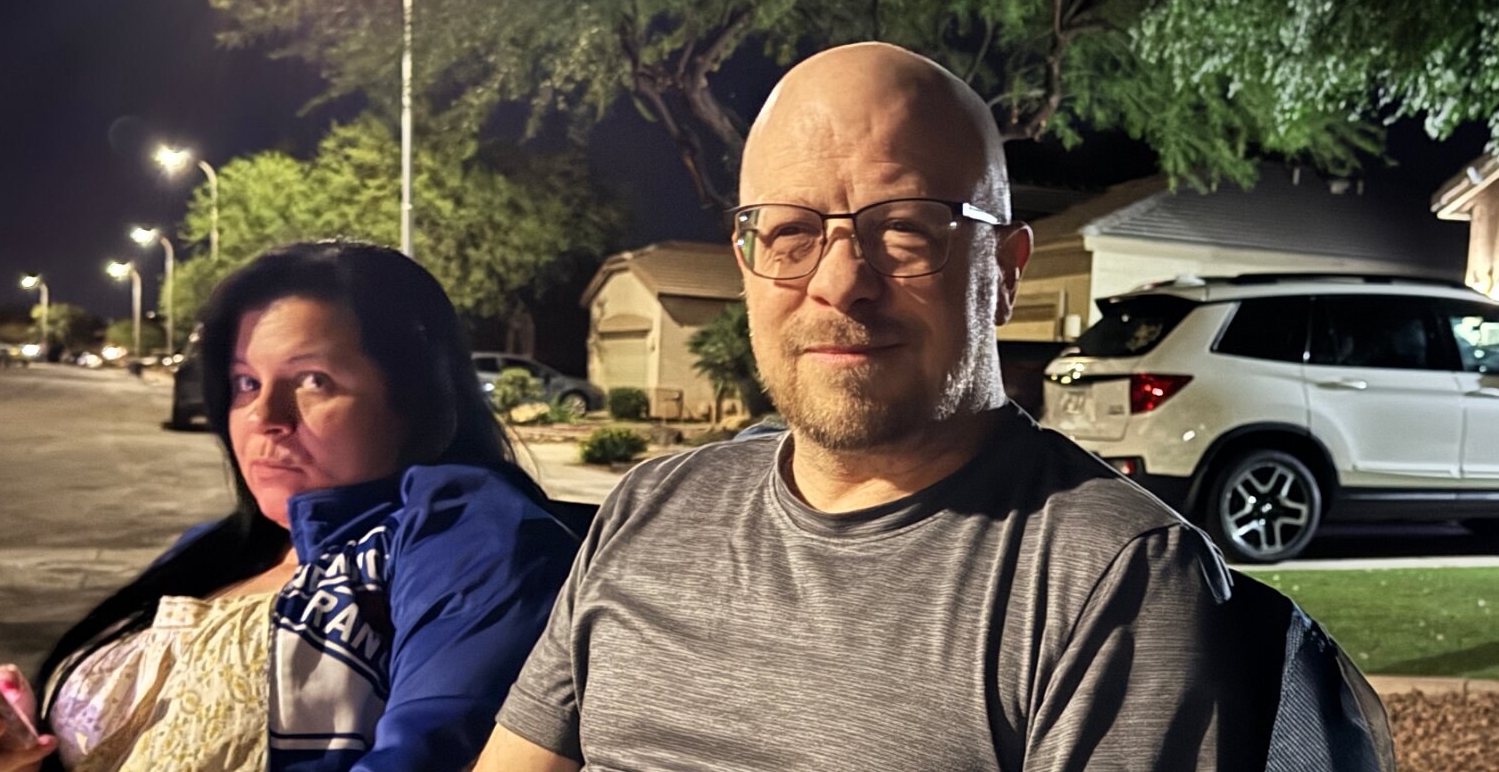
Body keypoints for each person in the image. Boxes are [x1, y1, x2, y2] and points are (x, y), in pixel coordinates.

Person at [479, 42, 1301, 771]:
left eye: (906, 229)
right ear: (746, 261)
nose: (840, 282)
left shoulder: (1115, 579)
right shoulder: (649, 509)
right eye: (790, 233)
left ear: (1004, 271)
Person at [0, 241, 580, 772]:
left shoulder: (466, 533)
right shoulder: (210, 551)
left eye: (313, 380)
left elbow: (434, 748)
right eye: (245, 383)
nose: (263, 417)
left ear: (417, 398)